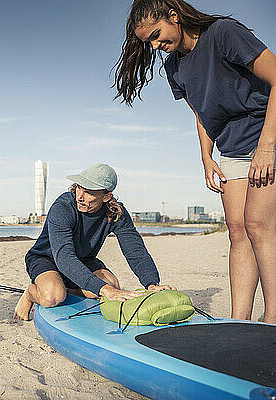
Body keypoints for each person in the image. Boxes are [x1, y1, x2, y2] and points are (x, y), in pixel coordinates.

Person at [113, 0, 276, 323]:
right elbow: (201, 115)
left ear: (174, 17)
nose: (157, 46)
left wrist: (267, 147)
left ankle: (272, 320)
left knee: (259, 225)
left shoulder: (224, 34)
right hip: (232, 148)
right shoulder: (175, 66)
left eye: (158, 35)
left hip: (268, 135)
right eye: (150, 43)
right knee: (237, 230)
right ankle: (239, 321)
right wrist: (206, 157)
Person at [14, 163, 173, 320]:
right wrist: (104, 290)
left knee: (111, 285)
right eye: (78, 188)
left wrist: (151, 283)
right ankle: (30, 294)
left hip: (83, 260)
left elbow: (135, 252)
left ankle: (66, 288)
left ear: (106, 196)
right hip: (46, 258)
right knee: (52, 297)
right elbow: (64, 258)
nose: (80, 197)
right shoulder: (63, 207)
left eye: (89, 192)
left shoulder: (116, 213)